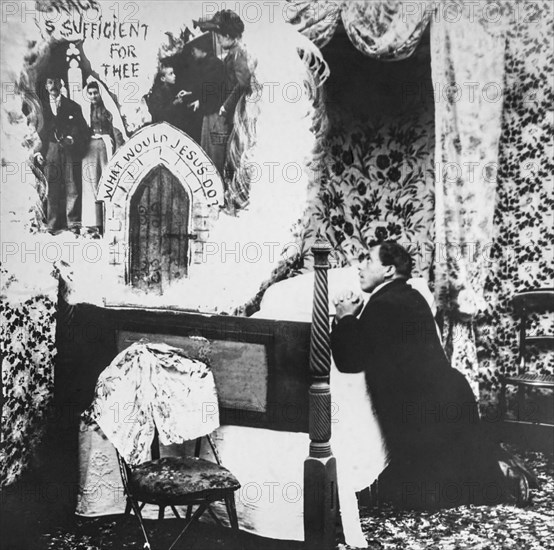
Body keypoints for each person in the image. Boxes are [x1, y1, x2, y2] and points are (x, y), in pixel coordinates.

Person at [331, 241, 533, 509]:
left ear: (389, 270)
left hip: (425, 408)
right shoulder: (411, 296)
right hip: (449, 392)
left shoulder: (382, 305)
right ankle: (498, 465)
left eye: (368, 260)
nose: (360, 266)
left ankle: (500, 471)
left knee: (427, 495)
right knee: (459, 471)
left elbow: (349, 362)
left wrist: (345, 317)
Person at [201, 10, 252, 210]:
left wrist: (225, 106)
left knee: (224, 154)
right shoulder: (233, 53)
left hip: (234, 112)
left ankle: (223, 200)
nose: (219, 39)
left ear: (229, 36)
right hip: (230, 111)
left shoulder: (239, 53)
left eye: (220, 36)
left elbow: (242, 83)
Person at [35, 77, 89, 233]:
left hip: (69, 149)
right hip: (51, 150)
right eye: (50, 82)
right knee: (51, 187)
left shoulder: (73, 106)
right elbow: (39, 132)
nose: (54, 86)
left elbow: (82, 128)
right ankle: (52, 224)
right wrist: (39, 151)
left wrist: (73, 138)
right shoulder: (42, 109)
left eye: (57, 82)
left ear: (62, 84)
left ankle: (73, 224)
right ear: (46, 86)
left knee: (72, 186)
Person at [81, 81, 120, 234]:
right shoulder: (85, 110)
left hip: (104, 146)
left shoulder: (107, 110)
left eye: (95, 93)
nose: (93, 96)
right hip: (89, 146)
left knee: (105, 180)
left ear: (100, 93)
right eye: (90, 93)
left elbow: (115, 128)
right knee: (89, 182)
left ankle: (107, 221)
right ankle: (91, 222)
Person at [186, 34, 226, 176]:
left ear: (200, 49)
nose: (193, 54)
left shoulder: (213, 65)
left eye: (194, 50)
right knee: (210, 152)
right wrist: (195, 97)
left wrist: (200, 101)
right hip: (210, 114)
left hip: (215, 116)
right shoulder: (208, 64)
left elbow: (213, 91)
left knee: (215, 154)